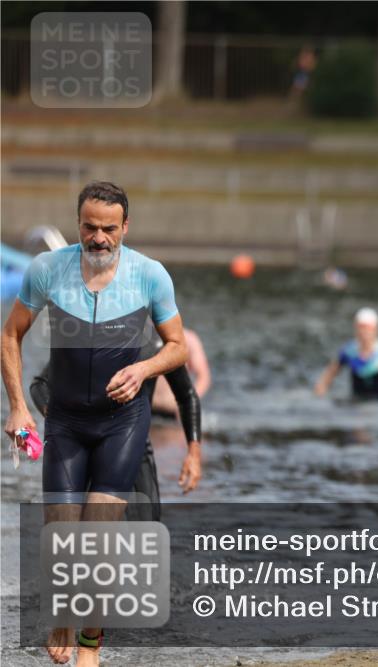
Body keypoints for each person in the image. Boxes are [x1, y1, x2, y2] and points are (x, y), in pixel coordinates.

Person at [1, 181, 188, 667]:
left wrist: (143, 369)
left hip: (122, 425)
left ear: (125, 227)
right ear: (77, 223)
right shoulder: (48, 270)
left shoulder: (150, 275)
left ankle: (90, 653)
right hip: (64, 422)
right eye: (89, 227)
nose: (98, 237)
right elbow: (10, 336)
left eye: (109, 228)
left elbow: (178, 347)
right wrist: (18, 407)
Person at [30, 335, 203, 522]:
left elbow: (187, 396)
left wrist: (193, 453)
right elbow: (40, 384)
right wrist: (61, 420)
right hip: (85, 449)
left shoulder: (158, 344)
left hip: (137, 450)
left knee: (146, 537)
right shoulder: (93, 335)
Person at [151, 327, 210, 416]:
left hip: (174, 411)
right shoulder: (144, 338)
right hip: (146, 410)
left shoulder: (189, 339)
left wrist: (189, 404)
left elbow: (204, 377)